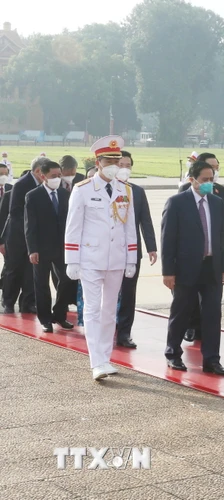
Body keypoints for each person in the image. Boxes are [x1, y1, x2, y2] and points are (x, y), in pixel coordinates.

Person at [65, 135, 137, 381]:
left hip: (116, 259)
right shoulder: (82, 189)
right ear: (98, 162)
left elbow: (129, 226)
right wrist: (71, 259)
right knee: (93, 310)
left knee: (109, 311)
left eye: (117, 161)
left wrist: (131, 258)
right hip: (90, 259)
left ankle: (106, 358)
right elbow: (73, 226)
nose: (115, 165)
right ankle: (97, 362)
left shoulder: (124, 189)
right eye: (109, 161)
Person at [162, 160, 224, 375]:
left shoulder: (217, 202)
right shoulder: (176, 203)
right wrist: (168, 271)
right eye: (204, 180)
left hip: (212, 266)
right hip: (185, 268)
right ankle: (173, 354)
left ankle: (212, 359)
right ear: (192, 179)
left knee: (212, 314)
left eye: (212, 179)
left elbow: (221, 237)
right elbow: (167, 239)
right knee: (181, 312)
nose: (209, 183)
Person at [178, 152, 224, 342]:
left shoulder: (221, 192)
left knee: (211, 302)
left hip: (213, 253)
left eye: (216, 168)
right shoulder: (185, 190)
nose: (214, 172)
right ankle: (191, 326)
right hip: (192, 255)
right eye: (211, 167)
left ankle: (208, 339)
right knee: (190, 299)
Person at [24, 160, 75, 333]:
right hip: (41, 248)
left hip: (62, 248)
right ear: (42, 176)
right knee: (41, 284)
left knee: (66, 280)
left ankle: (60, 315)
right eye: (54, 176)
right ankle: (45, 319)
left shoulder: (65, 194)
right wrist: (32, 249)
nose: (57, 179)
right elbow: (29, 226)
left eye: (59, 175)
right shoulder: (33, 196)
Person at [115, 151, 157, 349]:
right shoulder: (106, 190)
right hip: (110, 250)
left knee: (129, 292)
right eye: (121, 164)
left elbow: (145, 221)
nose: (125, 168)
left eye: (128, 165)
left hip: (132, 252)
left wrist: (151, 247)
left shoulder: (138, 192)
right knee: (110, 292)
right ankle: (106, 330)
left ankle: (124, 333)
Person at [2, 157, 46, 314]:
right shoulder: (22, 184)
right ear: (38, 171)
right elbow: (15, 212)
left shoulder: (43, 184)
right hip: (18, 236)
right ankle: (8, 302)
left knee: (30, 271)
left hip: (33, 236)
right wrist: (32, 225)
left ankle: (27, 303)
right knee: (14, 269)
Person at [0, 163, 13, 289]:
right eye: (0, 174)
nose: (3, 177)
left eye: (5, 174)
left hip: (5, 234)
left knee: (8, 264)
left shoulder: (11, 189)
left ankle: (4, 289)